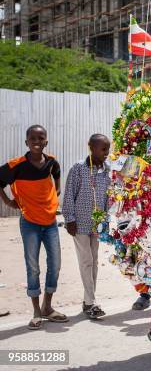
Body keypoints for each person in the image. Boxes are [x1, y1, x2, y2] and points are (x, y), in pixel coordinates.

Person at [0, 125, 68, 330]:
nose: (37, 141)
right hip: (29, 222)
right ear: (26, 142)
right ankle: (36, 311)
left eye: (41, 138)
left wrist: (55, 193)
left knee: (55, 264)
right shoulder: (16, 166)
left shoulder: (51, 161)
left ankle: (48, 306)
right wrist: (8, 201)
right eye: (32, 138)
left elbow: (56, 175)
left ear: (46, 141)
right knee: (33, 267)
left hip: (50, 223)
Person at [63, 134, 111, 320]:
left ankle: (87, 300)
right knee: (86, 261)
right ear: (91, 147)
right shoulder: (78, 168)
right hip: (79, 223)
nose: (106, 153)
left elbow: (108, 197)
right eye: (102, 149)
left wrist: (105, 221)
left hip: (97, 225)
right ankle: (91, 303)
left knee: (94, 261)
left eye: (107, 149)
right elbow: (69, 195)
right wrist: (69, 219)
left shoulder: (106, 171)